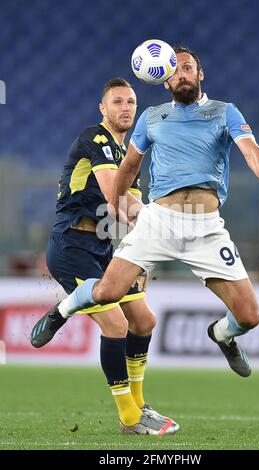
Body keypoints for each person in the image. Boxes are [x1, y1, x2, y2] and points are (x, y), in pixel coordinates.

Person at [33, 48, 259, 397]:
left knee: (249, 316)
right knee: (107, 292)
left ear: (200, 74)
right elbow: (128, 167)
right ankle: (61, 311)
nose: (181, 75)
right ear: (164, 79)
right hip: (158, 221)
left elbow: (252, 150)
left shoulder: (224, 112)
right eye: (174, 71)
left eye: (188, 68)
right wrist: (113, 207)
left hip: (205, 227)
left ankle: (221, 334)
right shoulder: (152, 117)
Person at [30, 77, 179, 436]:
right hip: (71, 247)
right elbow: (121, 201)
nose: (125, 108)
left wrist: (141, 258)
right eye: (117, 102)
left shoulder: (131, 157)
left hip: (104, 248)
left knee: (144, 321)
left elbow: (129, 216)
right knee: (116, 325)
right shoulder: (94, 138)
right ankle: (129, 417)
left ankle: (140, 405)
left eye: (130, 102)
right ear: (103, 109)